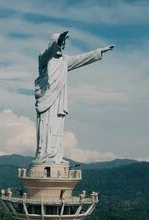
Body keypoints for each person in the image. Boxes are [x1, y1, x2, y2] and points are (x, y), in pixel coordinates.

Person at [33, 31, 114, 163]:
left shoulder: (64, 61)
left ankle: (55, 156)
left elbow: (81, 59)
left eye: (63, 43)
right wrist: (57, 42)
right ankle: (44, 156)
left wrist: (99, 52)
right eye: (60, 43)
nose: (62, 45)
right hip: (47, 100)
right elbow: (48, 52)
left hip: (58, 100)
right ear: (54, 43)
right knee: (47, 126)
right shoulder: (44, 60)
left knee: (58, 127)